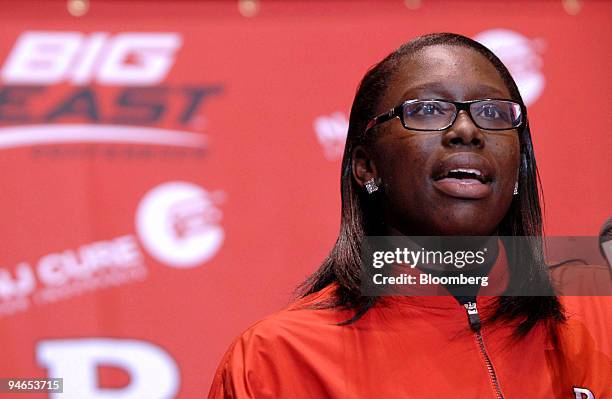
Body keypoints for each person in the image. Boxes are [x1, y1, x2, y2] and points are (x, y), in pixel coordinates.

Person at [208, 33, 611, 398]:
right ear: (367, 166)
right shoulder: (277, 360)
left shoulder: (596, 314)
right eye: (428, 109)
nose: (468, 130)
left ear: (519, 167)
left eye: (492, 112)